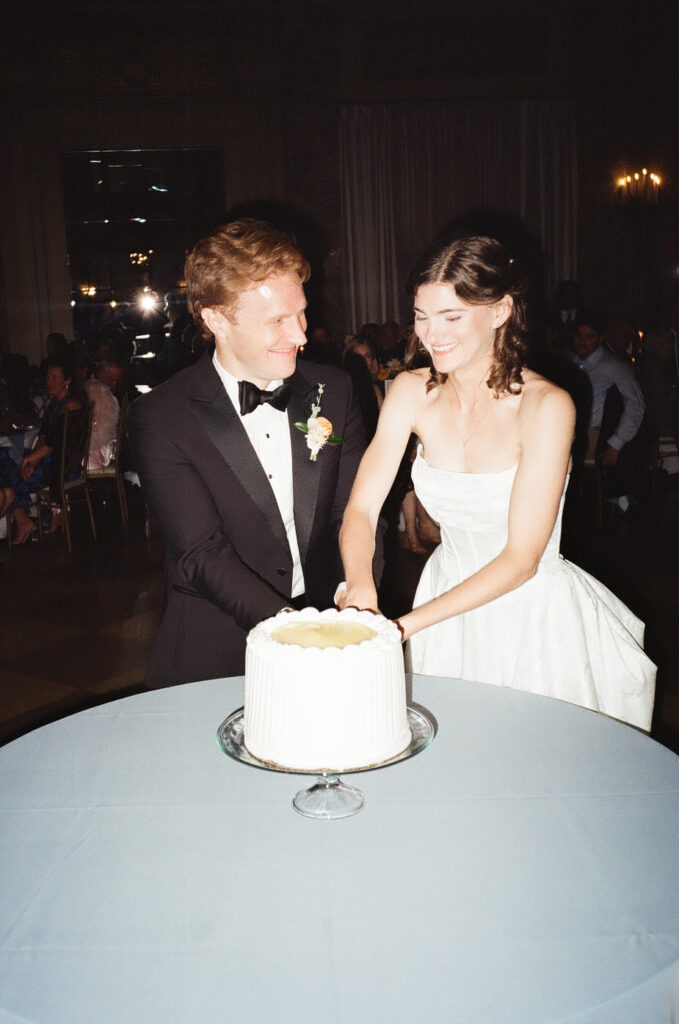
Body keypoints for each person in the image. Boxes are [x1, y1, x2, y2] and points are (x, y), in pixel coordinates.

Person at [339, 234, 655, 732]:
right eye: (421, 316)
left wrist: (403, 627)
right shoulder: (409, 391)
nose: (430, 334)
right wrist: (361, 588)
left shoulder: (546, 406)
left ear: (501, 310)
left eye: (451, 317)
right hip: (442, 595)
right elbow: (360, 510)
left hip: (528, 611)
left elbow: (521, 559)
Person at [127, 218, 375, 688]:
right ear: (215, 319)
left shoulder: (335, 390)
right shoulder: (162, 415)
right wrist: (297, 632)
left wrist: (356, 593)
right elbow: (201, 552)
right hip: (215, 645)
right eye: (277, 320)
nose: (301, 335)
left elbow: (356, 510)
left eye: (300, 313)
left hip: (330, 623)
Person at [0, 359, 84, 542]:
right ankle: (24, 519)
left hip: (63, 467)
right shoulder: (54, 406)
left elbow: (54, 444)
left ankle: (22, 519)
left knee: (12, 474)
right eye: (48, 378)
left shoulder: (71, 407)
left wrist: (28, 461)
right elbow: (44, 437)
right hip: (49, 460)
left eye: (54, 377)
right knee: (5, 459)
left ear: (67, 380)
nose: (49, 382)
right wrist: (32, 460)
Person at [572, 312, 649, 511]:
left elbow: (636, 405)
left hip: (592, 435)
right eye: (579, 336)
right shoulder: (571, 362)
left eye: (589, 336)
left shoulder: (613, 366)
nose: (583, 341)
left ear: (600, 338)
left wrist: (616, 443)